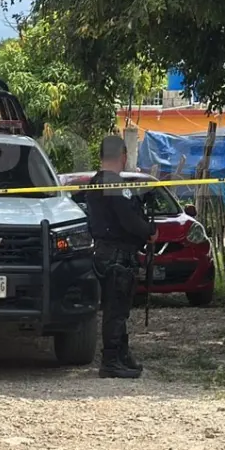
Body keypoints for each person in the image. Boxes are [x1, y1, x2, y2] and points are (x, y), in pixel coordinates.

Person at [86, 134, 157, 379]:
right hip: (117, 255)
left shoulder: (96, 182)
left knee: (118, 309)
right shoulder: (114, 184)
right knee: (116, 310)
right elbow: (127, 220)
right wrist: (149, 231)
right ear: (123, 156)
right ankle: (111, 361)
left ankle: (121, 355)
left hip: (105, 252)